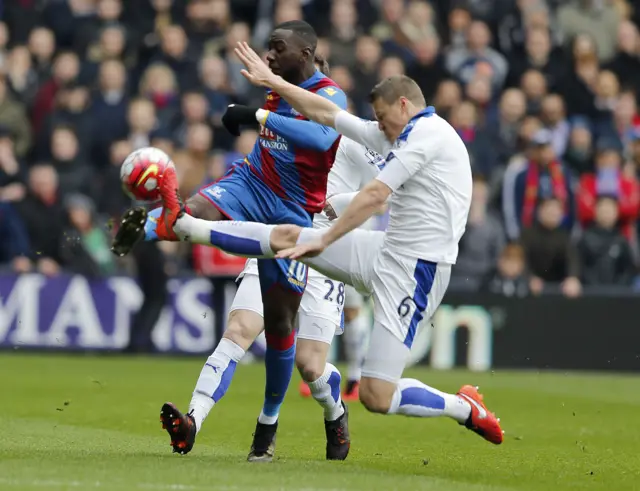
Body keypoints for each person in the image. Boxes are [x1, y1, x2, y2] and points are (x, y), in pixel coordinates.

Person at [140, 43, 504, 447]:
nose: (377, 128)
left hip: (415, 269)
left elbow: (374, 195)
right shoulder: (362, 130)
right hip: (377, 246)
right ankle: (188, 228)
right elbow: (329, 114)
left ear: (403, 106)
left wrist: (327, 230)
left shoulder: (424, 136)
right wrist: (269, 87)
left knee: (367, 391)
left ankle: (465, 407)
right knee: (273, 263)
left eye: (382, 120)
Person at [111, 21, 348, 461]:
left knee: (286, 335)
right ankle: (140, 227)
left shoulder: (333, 96)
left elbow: (321, 134)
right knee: (194, 218)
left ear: (308, 52)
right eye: (269, 48)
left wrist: (256, 114)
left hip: (298, 220)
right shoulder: (277, 89)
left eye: (279, 48)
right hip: (251, 185)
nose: (270, 55)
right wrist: (260, 106)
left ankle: (270, 425)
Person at [152, 56, 379, 462]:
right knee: (239, 330)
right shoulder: (278, 119)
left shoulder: (351, 134)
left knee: (310, 366)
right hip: (278, 238)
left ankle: (334, 409)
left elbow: (381, 194)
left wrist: (336, 206)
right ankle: (193, 420)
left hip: (326, 250)